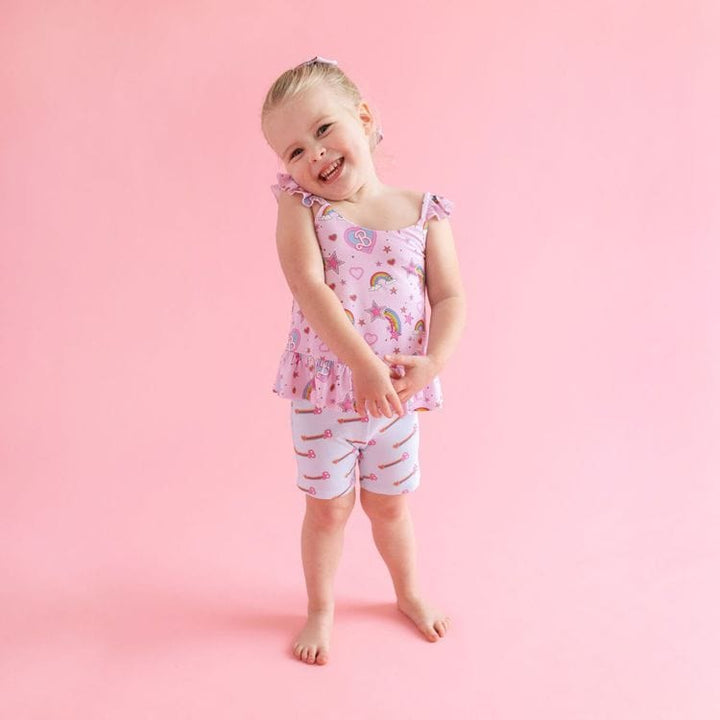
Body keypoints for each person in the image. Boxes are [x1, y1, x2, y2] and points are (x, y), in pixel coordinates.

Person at [261, 56, 466, 666]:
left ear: (365, 117)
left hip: (396, 397)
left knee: (390, 506)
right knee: (328, 510)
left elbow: (449, 297)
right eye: (295, 151)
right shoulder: (303, 208)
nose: (315, 155)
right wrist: (361, 365)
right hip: (326, 397)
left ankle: (408, 593)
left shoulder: (423, 211)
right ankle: (320, 609)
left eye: (323, 129)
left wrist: (433, 363)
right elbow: (308, 286)